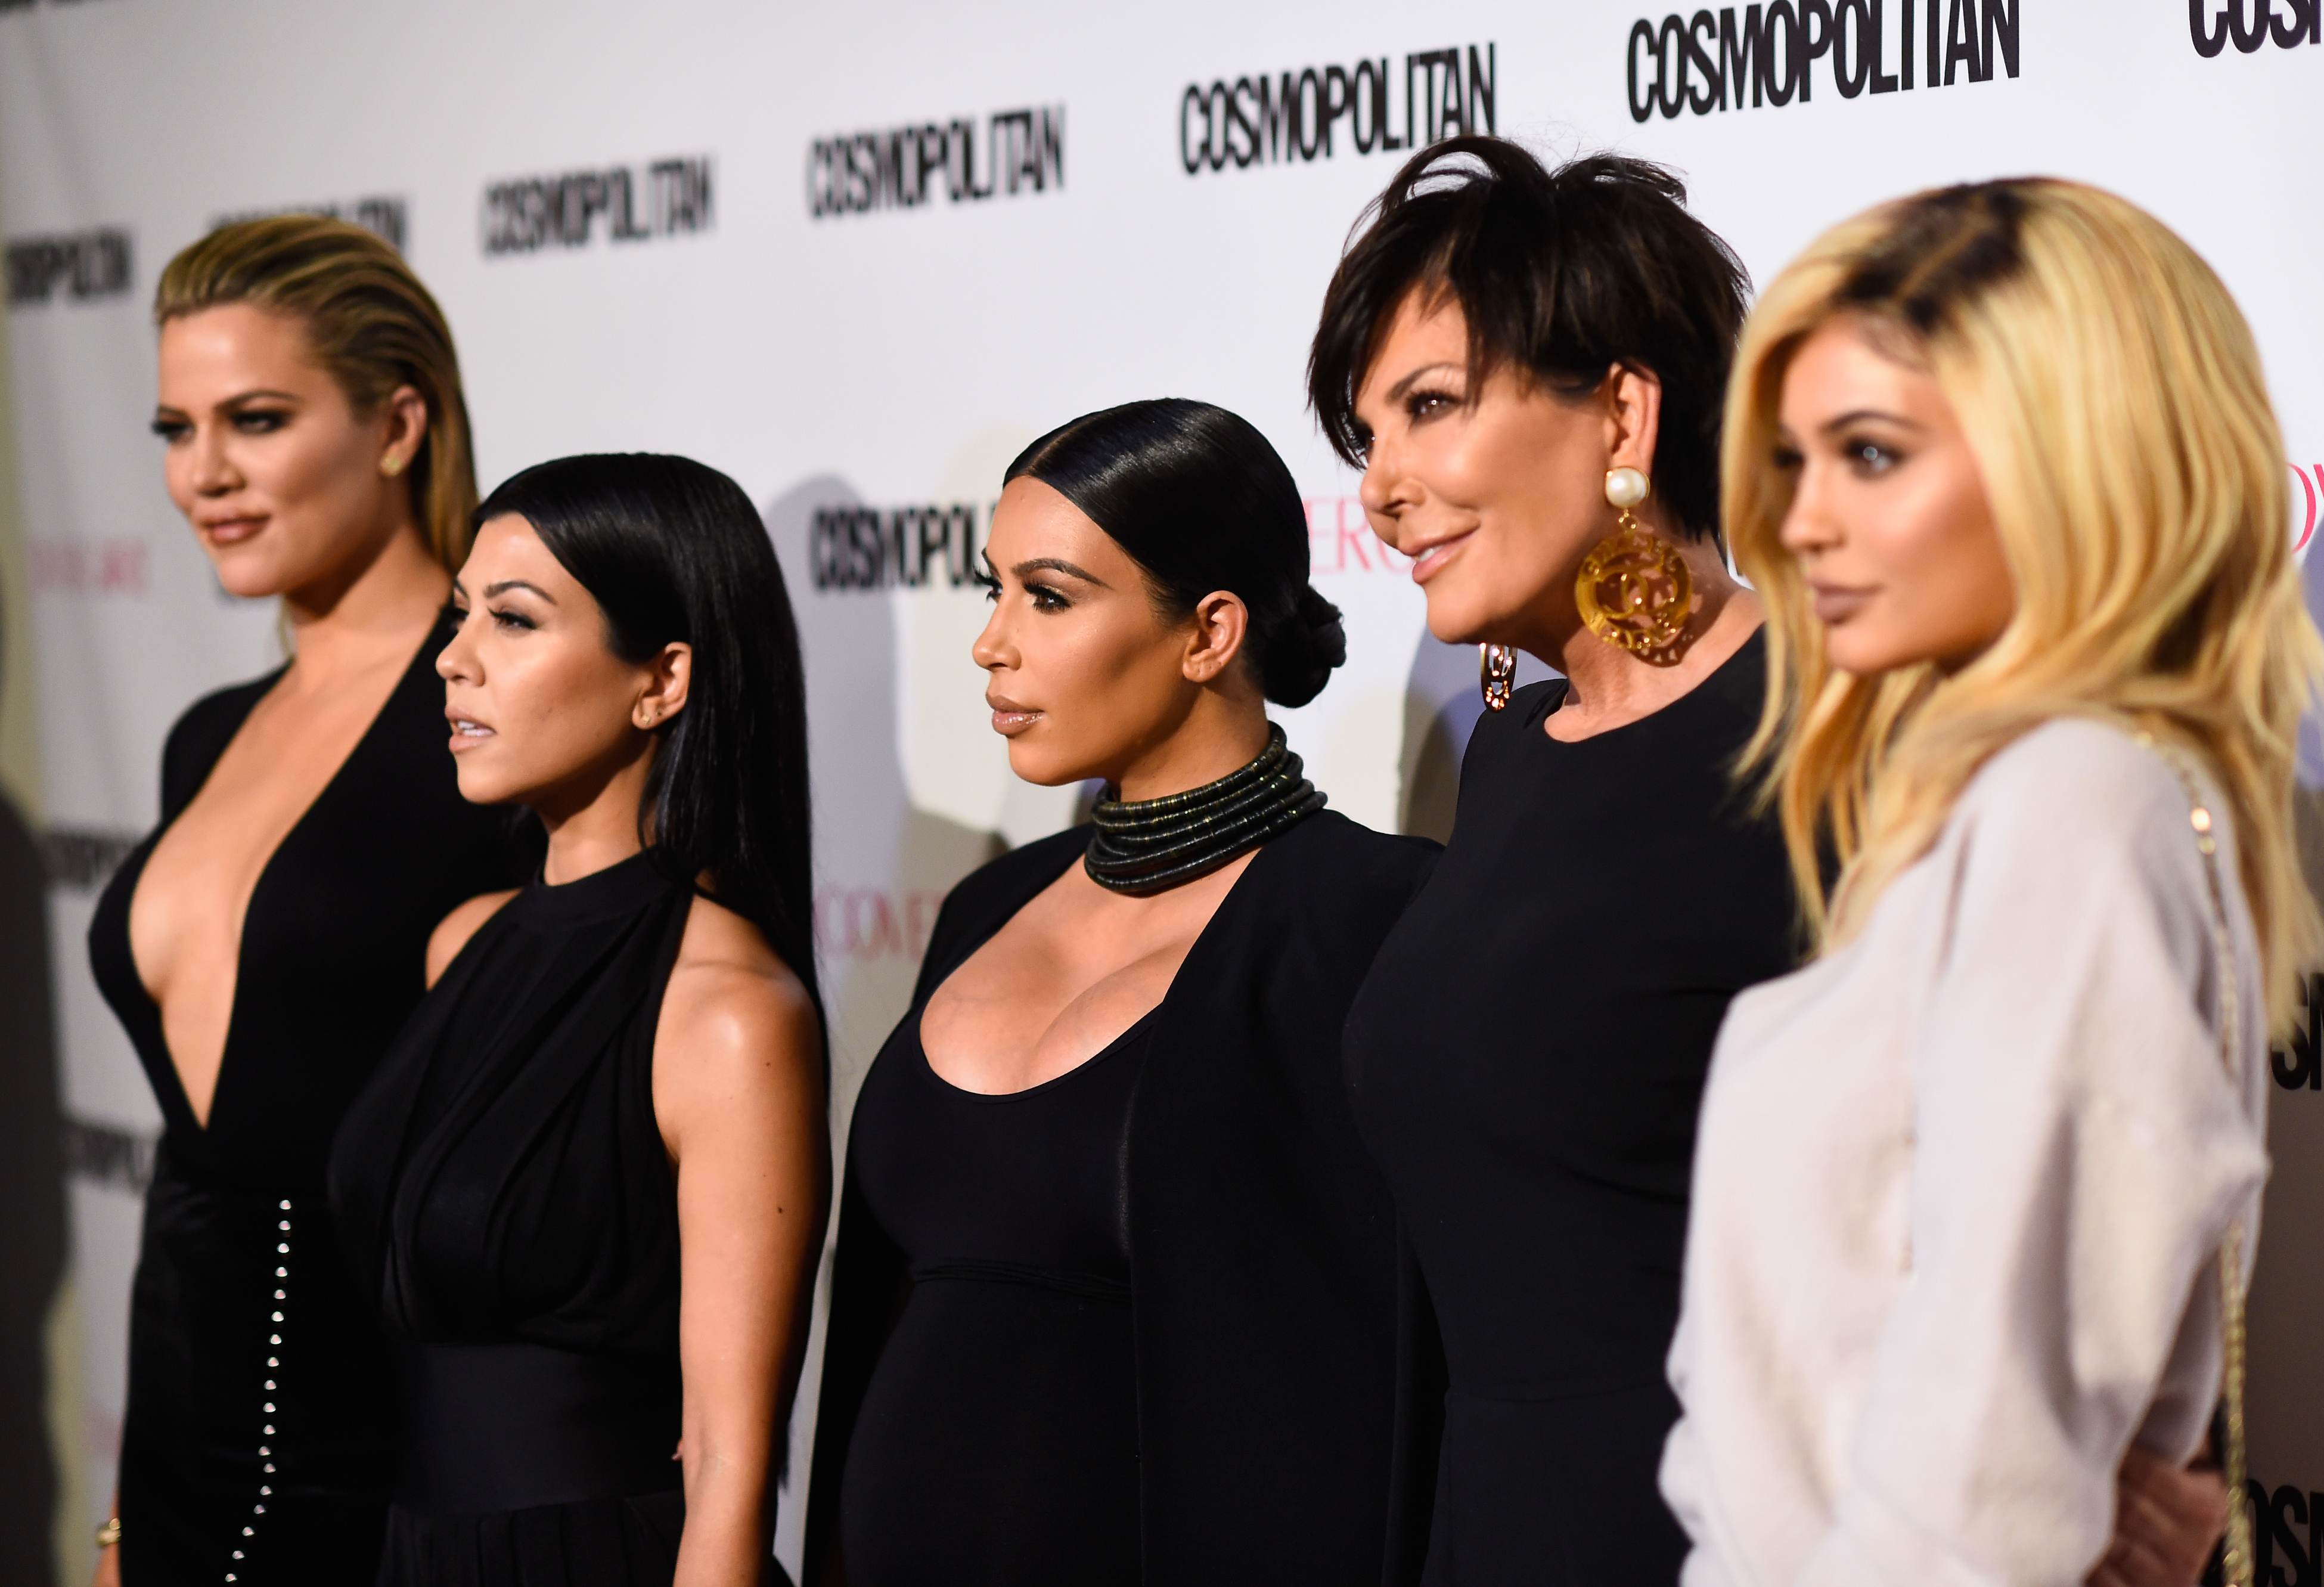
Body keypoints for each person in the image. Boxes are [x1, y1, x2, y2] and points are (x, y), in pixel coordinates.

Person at [1659, 179, 2324, 1586]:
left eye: (1870, 453)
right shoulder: (2025, 800)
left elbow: (1970, 1484)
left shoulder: (2069, 804)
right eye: (1792, 458)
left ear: (2075, 455)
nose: (1800, 519)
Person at [803, 399, 1441, 1587]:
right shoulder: (984, 907)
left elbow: (1378, 1378)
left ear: (1207, 631)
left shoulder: (1368, 919)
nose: (991, 642)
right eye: (991, 590)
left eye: (1046, 595)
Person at [1314, 138, 1786, 1586]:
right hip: (1492, 1513)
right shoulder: (1512, 741)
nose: (1384, 487)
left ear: (1621, 409)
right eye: (1367, 434)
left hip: (1729, 1523)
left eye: (1432, 407)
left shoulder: (1827, 737)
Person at [88, 215, 516, 1587]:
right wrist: (120, 1515)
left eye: (255, 419)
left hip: (393, 1466)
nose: (201, 473)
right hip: (175, 1443)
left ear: (398, 425)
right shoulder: (207, 733)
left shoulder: (503, 721)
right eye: (175, 428)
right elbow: (197, 1175)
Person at [327, 454, 828, 1587]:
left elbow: (732, 1473)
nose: (454, 659)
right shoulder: (462, 942)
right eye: (461, 615)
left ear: (662, 680)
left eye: (512, 620)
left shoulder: (728, 1012)